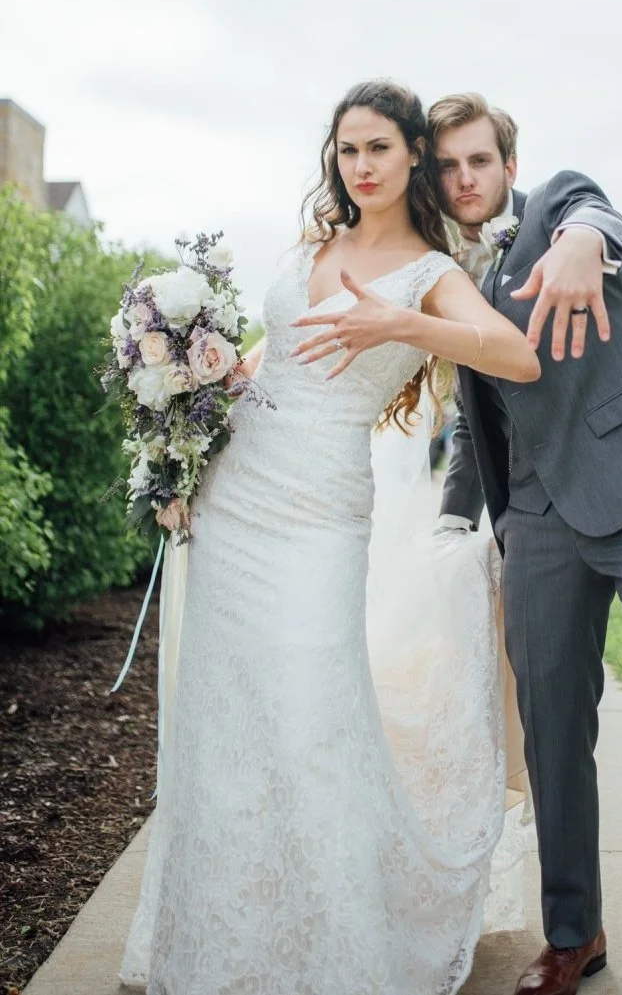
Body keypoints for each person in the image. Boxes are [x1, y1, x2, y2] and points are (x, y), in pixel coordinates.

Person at [119, 80, 541, 995]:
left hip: (321, 512)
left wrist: (404, 322)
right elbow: (268, 361)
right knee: (230, 718)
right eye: (348, 149)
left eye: (379, 147)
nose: (361, 165)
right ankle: (235, 942)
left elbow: (518, 354)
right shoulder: (311, 245)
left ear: (413, 155)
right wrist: (181, 443)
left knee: (315, 716)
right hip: (236, 495)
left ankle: (338, 949)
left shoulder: (434, 271)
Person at [353, 92, 622, 995]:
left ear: (508, 164)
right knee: (551, 731)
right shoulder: (447, 272)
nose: (464, 178)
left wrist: (585, 240)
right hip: (540, 522)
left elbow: (599, 214)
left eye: (479, 160)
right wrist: (462, 518)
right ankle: (574, 932)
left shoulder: (557, 207)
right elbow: (476, 419)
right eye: (447, 166)